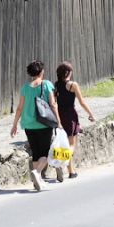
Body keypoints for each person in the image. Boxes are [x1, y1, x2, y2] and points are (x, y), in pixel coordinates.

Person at [10, 60, 62, 191]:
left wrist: (14, 124)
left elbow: (19, 108)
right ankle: (37, 172)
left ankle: (37, 181)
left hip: (28, 124)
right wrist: (59, 122)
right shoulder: (47, 84)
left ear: (29, 73)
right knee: (45, 152)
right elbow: (53, 104)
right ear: (41, 72)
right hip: (43, 123)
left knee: (36, 152)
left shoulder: (25, 87)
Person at [54, 61, 95, 180]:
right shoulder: (73, 85)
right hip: (70, 115)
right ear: (69, 72)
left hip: (59, 115)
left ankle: (71, 172)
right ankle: (61, 166)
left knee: (63, 144)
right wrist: (91, 114)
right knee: (71, 145)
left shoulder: (56, 84)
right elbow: (82, 102)